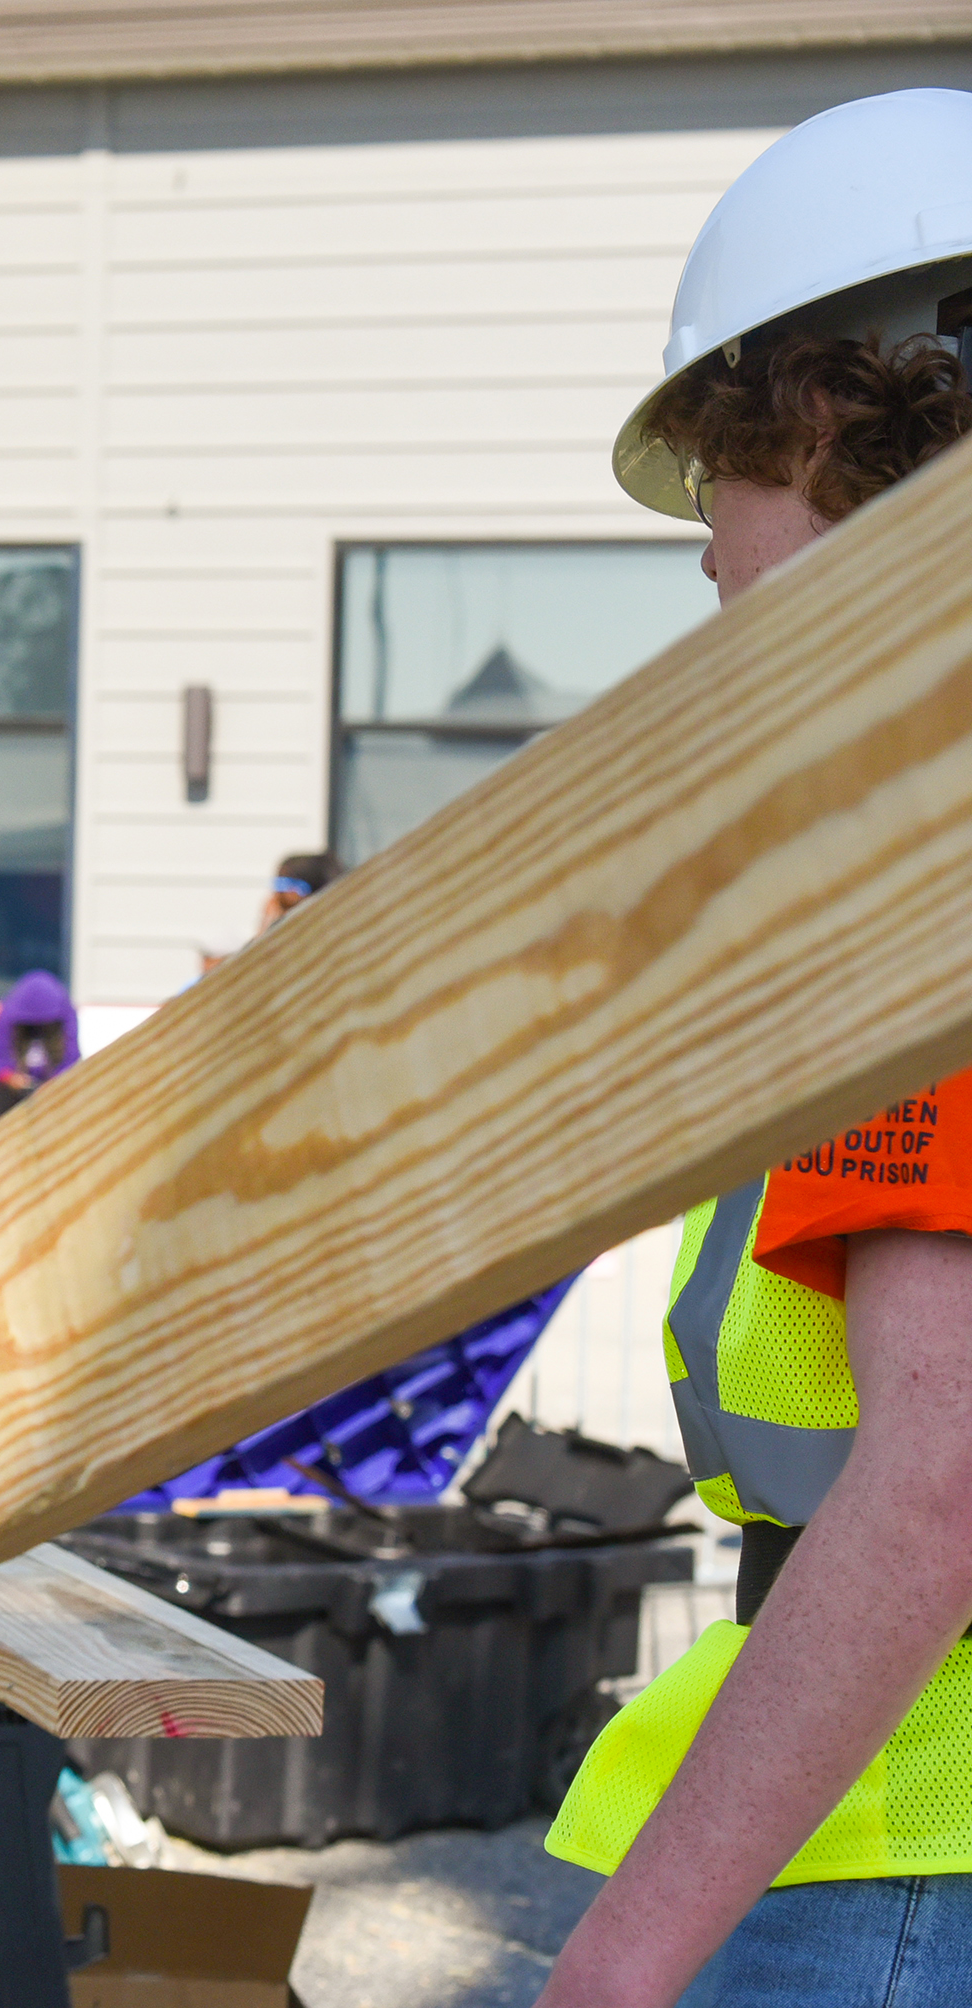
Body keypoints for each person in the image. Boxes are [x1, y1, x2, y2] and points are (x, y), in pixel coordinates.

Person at [535, 90, 972, 2008]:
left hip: (902, 1844)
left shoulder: (930, 832)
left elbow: (941, 1465)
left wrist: (620, 1963)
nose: (706, 554)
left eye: (719, 460)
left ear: (830, 417)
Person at [0, 969, 79, 1130]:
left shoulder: (65, 1016)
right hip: (15, 1090)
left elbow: (72, 1059)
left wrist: (55, 1082)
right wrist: (11, 1077)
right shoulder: (9, 1014)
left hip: (54, 1088)